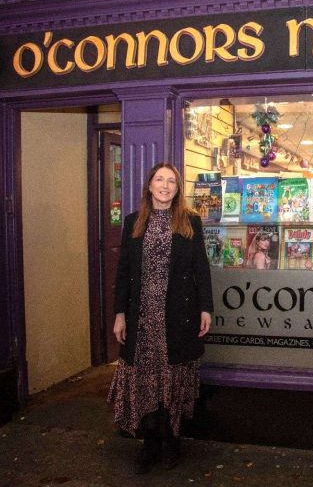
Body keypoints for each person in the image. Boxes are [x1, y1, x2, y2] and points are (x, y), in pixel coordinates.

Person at [107, 163, 213, 474]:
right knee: (145, 380)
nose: (165, 186)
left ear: (178, 189)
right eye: (159, 180)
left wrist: (206, 307)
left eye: (171, 181)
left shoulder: (189, 222)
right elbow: (124, 272)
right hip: (142, 317)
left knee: (172, 378)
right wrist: (119, 314)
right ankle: (149, 443)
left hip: (178, 315)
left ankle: (171, 442)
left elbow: (201, 268)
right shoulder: (133, 222)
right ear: (150, 186)